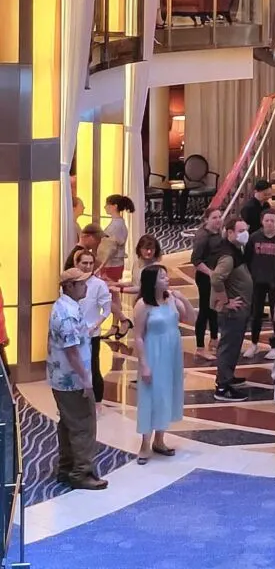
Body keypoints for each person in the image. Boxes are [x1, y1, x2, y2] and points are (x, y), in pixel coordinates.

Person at [47, 268, 106, 489]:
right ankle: (82, 473)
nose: (86, 286)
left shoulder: (63, 306)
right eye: (81, 283)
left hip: (60, 378)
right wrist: (87, 381)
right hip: (72, 381)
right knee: (83, 425)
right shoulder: (68, 312)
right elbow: (72, 351)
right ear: (69, 286)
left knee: (68, 424)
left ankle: (67, 468)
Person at [134, 263, 196, 464]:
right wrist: (144, 363)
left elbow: (192, 319)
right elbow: (138, 336)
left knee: (167, 393)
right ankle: (145, 443)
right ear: (152, 282)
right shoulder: (143, 305)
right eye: (162, 277)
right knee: (152, 395)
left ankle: (159, 440)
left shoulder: (170, 300)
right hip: (154, 351)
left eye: (166, 276)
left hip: (172, 352)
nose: (167, 280)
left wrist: (183, 298)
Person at [210, 217, 253, 402]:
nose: (245, 234)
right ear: (230, 233)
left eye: (246, 230)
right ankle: (223, 386)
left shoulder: (236, 250)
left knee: (234, 346)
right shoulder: (228, 256)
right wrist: (225, 301)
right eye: (240, 231)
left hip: (239, 310)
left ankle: (228, 375)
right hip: (231, 312)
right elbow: (216, 278)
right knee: (228, 347)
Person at [73, 249, 112, 410]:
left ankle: (97, 403)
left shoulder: (99, 285)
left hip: (91, 333)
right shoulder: (70, 283)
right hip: (73, 333)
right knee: (74, 366)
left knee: (93, 367)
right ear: (77, 264)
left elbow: (107, 309)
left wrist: (95, 325)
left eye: (90, 263)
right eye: (84, 263)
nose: (88, 266)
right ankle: (75, 401)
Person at [243, 209, 275, 358]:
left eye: (272, 220)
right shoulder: (254, 237)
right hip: (257, 281)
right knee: (256, 314)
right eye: (266, 220)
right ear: (262, 221)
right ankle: (254, 344)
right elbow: (246, 258)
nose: (269, 223)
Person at [99, 194, 135, 340]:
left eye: (107, 204)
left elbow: (113, 246)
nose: (105, 207)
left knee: (107, 294)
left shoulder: (117, 225)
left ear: (114, 206)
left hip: (112, 264)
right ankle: (115, 325)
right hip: (112, 263)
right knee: (113, 295)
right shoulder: (117, 223)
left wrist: (101, 264)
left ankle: (122, 320)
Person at [190, 209, 224, 357]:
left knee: (214, 309)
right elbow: (196, 260)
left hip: (215, 277)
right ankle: (200, 347)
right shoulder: (202, 236)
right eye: (214, 217)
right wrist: (211, 273)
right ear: (206, 219)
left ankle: (214, 340)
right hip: (205, 278)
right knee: (204, 310)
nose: (218, 220)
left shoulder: (218, 233)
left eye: (219, 217)